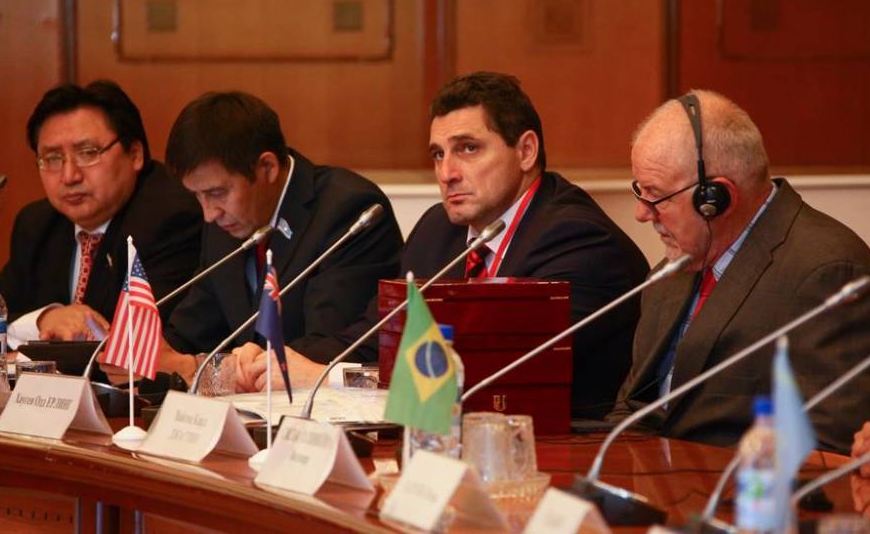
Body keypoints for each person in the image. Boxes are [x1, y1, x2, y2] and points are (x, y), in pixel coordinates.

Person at [233, 72, 649, 419]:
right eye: (437, 154)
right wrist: (279, 361)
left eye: (468, 149)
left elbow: (485, 375)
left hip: (559, 451)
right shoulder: (440, 229)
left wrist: (327, 376)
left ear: (525, 151)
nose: (447, 173)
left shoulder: (577, 241)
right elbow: (375, 336)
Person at [607, 89, 870, 453]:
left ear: (715, 198)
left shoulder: (831, 276)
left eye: (656, 195)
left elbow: (832, 447)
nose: (642, 213)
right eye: (639, 191)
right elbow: (631, 410)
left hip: (744, 485)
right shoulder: (670, 274)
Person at [153, 91, 403, 383]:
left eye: (217, 193)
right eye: (197, 196)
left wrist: (209, 372)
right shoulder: (225, 223)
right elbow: (189, 334)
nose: (208, 213)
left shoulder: (347, 210)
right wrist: (146, 357)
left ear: (268, 168)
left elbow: (328, 349)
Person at [0, 81, 202, 348]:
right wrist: (43, 319)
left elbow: (142, 342)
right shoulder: (37, 225)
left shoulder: (171, 218)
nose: (70, 176)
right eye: (53, 158)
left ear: (135, 155)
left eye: (87, 153)